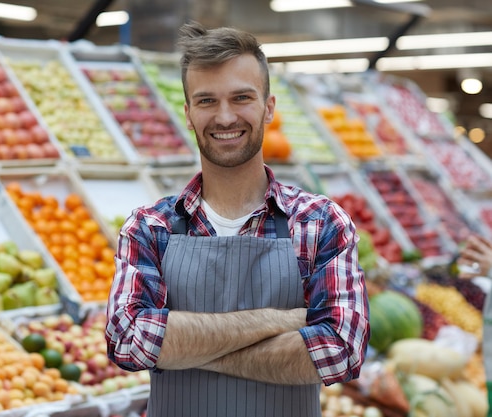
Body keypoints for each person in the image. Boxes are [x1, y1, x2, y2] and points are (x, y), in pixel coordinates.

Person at [105, 21, 370, 417]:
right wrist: (275, 322)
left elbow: (340, 352)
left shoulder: (321, 222)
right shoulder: (149, 227)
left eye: (241, 97)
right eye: (207, 101)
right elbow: (127, 342)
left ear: (269, 107)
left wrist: (185, 350)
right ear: (189, 114)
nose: (225, 117)